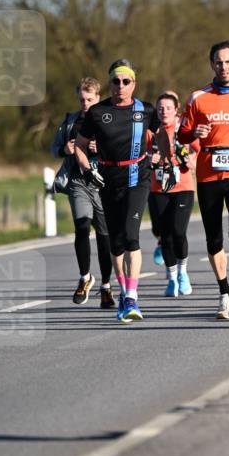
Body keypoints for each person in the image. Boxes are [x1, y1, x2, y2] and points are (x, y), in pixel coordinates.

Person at [178, 41, 229, 320]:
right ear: (212, 65)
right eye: (218, 62)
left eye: (228, 61)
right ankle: (223, 292)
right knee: (213, 237)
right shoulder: (197, 98)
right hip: (209, 171)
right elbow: (182, 135)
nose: (223, 67)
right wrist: (193, 134)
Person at [74, 59, 157, 322]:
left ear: (134, 84)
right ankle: (124, 292)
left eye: (126, 81)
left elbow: (163, 134)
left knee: (132, 237)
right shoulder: (97, 112)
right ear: (109, 83)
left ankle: (132, 297)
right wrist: (89, 170)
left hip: (138, 176)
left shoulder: (145, 110)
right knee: (116, 243)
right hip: (108, 179)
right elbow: (79, 144)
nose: (120, 86)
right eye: (115, 81)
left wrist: (164, 159)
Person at [51, 77, 115, 308]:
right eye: (82, 99)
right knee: (81, 226)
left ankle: (106, 286)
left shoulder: (108, 119)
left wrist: (104, 148)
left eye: (89, 99)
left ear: (98, 98)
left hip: (103, 184)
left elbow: (122, 147)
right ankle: (85, 277)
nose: (85, 103)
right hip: (79, 182)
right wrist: (64, 149)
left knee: (104, 237)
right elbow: (54, 148)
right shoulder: (70, 121)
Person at [148, 91, 199, 297]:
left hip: (183, 187)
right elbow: (141, 154)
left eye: (168, 108)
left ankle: (183, 273)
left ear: (176, 110)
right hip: (159, 188)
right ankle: (171, 278)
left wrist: (192, 162)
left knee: (178, 231)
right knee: (164, 235)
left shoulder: (183, 129)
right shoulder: (151, 131)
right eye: (160, 108)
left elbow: (200, 150)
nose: (164, 112)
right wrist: (149, 159)